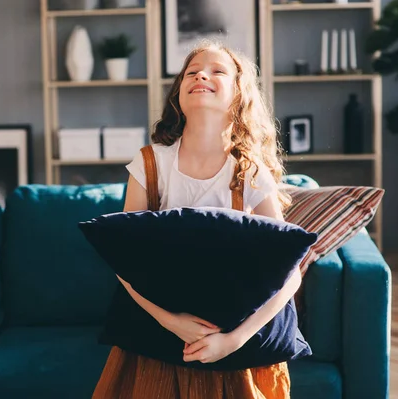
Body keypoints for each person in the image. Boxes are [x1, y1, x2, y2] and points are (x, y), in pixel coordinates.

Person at [91, 40, 300, 399]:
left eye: (217, 71)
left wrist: (233, 340)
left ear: (239, 96)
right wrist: (170, 322)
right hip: (156, 333)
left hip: (233, 341)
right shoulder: (149, 164)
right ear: (178, 97)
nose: (201, 74)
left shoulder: (249, 172)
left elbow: (289, 274)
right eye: (192, 71)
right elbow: (123, 259)